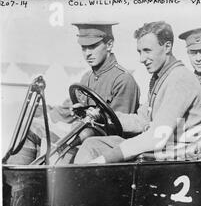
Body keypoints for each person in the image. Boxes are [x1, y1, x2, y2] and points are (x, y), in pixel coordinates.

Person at [74, 21, 201, 164]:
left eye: (147, 51)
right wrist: (103, 116)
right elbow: (141, 120)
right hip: (161, 150)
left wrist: (104, 159)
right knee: (91, 145)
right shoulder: (161, 78)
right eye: (140, 52)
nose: (142, 59)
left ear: (167, 47)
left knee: (99, 155)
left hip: (178, 158)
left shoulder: (180, 79)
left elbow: (157, 137)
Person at [7, 21, 140, 165]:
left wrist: (95, 119)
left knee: (65, 146)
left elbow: (118, 130)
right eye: (84, 48)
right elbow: (65, 110)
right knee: (31, 127)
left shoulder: (123, 80)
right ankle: (17, 179)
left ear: (109, 45)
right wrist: (44, 114)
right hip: (78, 135)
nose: (88, 53)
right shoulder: (87, 77)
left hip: (97, 146)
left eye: (93, 46)